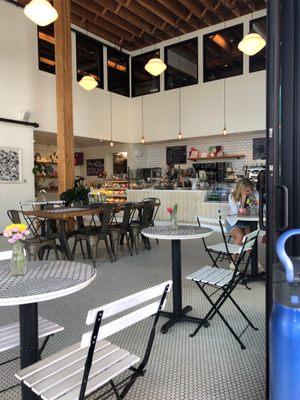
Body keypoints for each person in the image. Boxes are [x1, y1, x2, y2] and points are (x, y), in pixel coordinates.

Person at [226, 178, 255, 245]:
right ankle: (233, 255)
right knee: (240, 236)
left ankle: (251, 255)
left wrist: (249, 211)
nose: (250, 192)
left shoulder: (252, 195)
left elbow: (255, 209)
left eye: (251, 190)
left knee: (250, 239)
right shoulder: (232, 196)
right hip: (233, 222)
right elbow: (237, 213)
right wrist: (243, 199)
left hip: (246, 222)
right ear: (241, 190)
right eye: (248, 191)